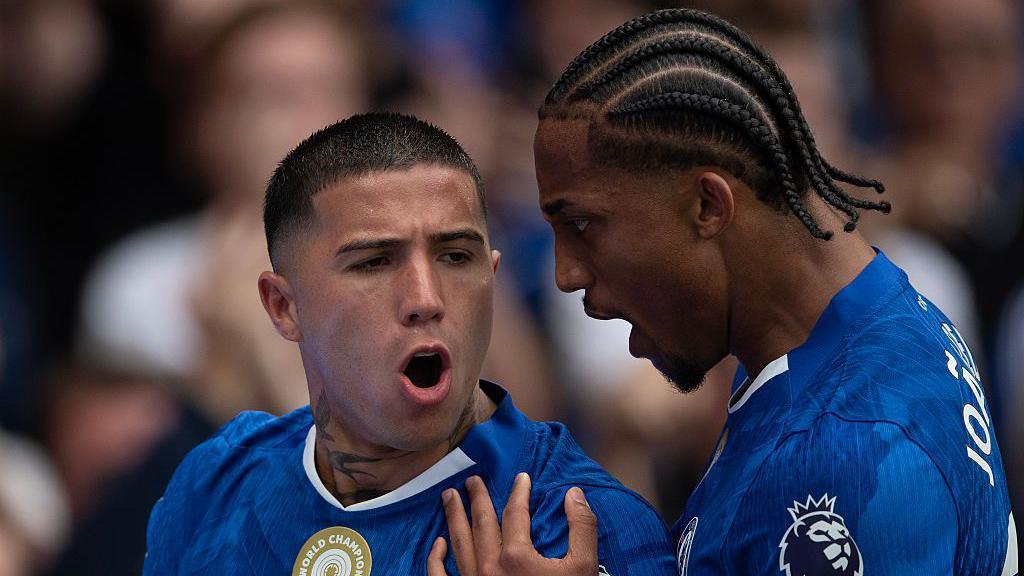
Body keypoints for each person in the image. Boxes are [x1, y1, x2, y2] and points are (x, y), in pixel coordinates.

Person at [430, 9, 1017, 576]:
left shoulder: (847, 456)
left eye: (583, 224)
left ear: (709, 205)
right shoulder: (850, 326)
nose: (565, 274)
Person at [142, 112, 675, 575]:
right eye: (374, 262)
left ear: (492, 278)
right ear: (284, 307)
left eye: (455, 256)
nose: (426, 298)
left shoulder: (576, 526)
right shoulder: (215, 483)